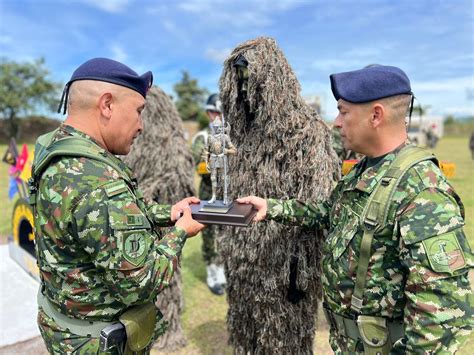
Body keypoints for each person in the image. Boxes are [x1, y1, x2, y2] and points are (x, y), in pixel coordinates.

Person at [238, 65, 473, 354]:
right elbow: (330, 213)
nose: (336, 122)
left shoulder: (421, 191)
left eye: (343, 111)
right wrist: (272, 207)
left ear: (376, 115)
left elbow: (442, 316)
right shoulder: (365, 169)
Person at [29, 57, 205, 354]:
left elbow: (102, 221)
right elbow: (142, 282)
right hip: (98, 342)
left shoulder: (59, 151)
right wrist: (180, 233)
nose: (140, 126)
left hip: (65, 327)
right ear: (107, 105)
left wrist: (170, 212)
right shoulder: (97, 181)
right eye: (138, 111)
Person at [191, 93, 227, 295]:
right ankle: (212, 272)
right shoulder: (202, 137)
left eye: (221, 113)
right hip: (208, 194)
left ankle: (221, 270)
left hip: (227, 196)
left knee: (224, 234)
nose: (218, 117)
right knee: (209, 235)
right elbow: (200, 166)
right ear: (208, 113)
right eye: (215, 113)